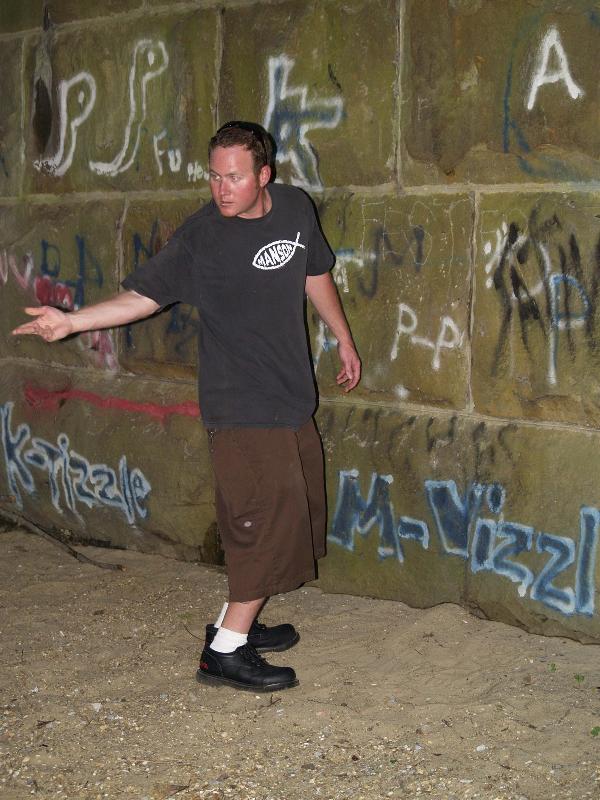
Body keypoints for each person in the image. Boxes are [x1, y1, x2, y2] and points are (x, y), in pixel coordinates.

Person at [12, 121, 361, 693]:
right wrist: (72, 321)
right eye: (214, 176)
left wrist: (343, 338)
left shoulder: (296, 209)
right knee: (263, 522)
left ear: (264, 175)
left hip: (290, 394)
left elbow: (315, 273)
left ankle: (237, 624)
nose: (221, 189)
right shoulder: (203, 238)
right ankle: (225, 651)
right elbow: (141, 297)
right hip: (240, 405)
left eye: (234, 177)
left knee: (294, 512)